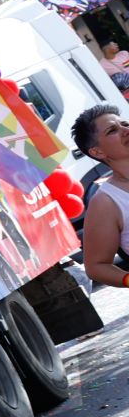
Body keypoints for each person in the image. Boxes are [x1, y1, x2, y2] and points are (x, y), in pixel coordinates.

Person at [75, 104, 129, 288]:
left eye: (125, 124)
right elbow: (96, 266)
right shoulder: (107, 202)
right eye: (113, 130)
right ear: (98, 152)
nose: (125, 130)